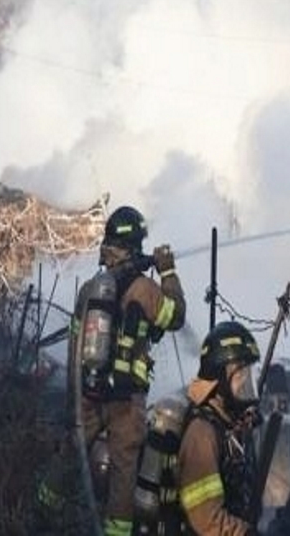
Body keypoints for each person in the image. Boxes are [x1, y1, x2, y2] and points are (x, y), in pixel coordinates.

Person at [72, 205, 187, 536]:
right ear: (135, 245)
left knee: (73, 450)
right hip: (126, 398)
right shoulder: (144, 290)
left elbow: (74, 341)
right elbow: (175, 316)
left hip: (89, 391)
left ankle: (42, 510)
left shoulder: (90, 289)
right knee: (124, 471)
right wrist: (167, 272)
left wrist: (79, 387)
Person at [178, 321, 262, 536]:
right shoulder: (202, 434)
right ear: (220, 379)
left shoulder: (226, 423)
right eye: (240, 375)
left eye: (248, 375)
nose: (246, 383)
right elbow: (206, 519)